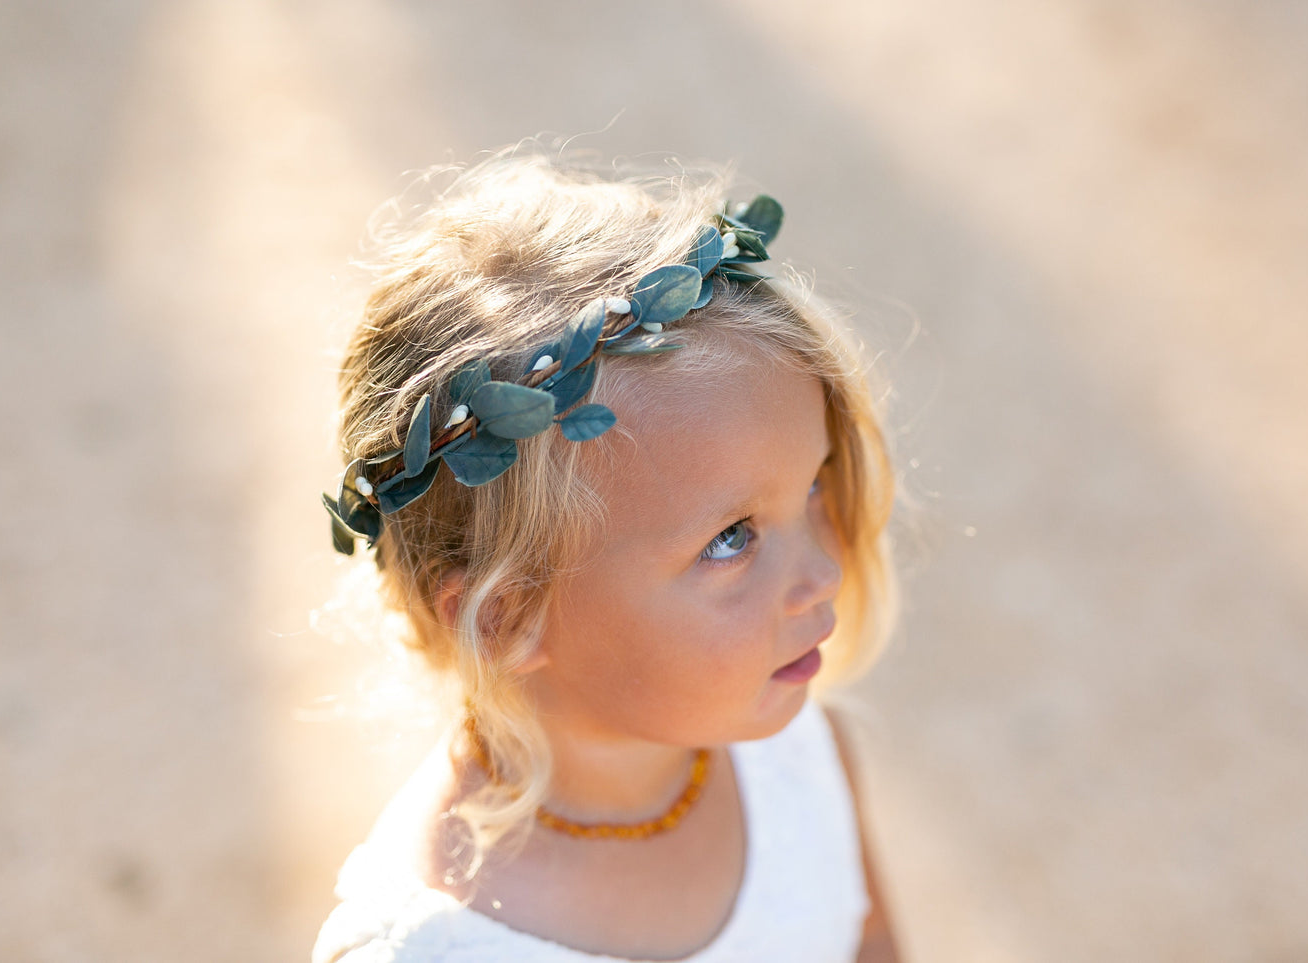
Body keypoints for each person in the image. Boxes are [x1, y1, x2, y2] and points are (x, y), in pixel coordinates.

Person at [312, 147, 901, 962]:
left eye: (812, 485)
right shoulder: (430, 946)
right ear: (509, 616)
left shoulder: (799, 756)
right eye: (730, 538)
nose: (824, 575)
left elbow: (867, 939)